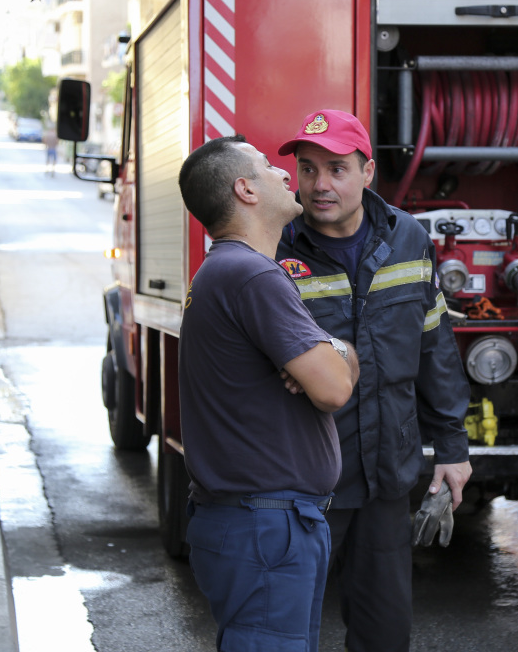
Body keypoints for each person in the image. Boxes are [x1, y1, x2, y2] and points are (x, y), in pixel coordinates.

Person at [275, 109, 472, 652]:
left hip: (387, 476)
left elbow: (434, 347)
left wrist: (453, 448)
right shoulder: (276, 249)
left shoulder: (408, 239)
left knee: (385, 634)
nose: (319, 185)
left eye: (337, 169)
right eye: (307, 168)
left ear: (368, 173)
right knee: (284, 631)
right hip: (305, 482)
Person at [176, 134, 359, 651]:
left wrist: (329, 352)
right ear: (245, 190)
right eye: (265, 167)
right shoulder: (253, 275)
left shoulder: (228, 271)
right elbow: (334, 387)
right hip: (265, 528)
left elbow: (333, 368)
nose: (285, 174)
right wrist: (332, 352)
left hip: (261, 524)